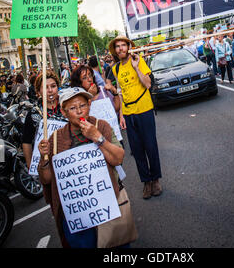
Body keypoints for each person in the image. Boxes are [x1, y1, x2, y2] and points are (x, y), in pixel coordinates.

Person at [37, 87, 125, 248]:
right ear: (64, 112)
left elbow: (118, 158)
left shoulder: (102, 126)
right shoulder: (56, 139)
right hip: (77, 215)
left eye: (83, 105)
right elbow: (47, 179)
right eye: (72, 108)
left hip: (106, 206)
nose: (79, 111)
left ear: (89, 105)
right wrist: (43, 159)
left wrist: (97, 137)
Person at [109, 35, 162, 200]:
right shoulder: (115, 69)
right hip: (129, 113)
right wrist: (121, 115)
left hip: (144, 110)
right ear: (115, 51)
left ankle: (155, 179)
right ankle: (146, 182)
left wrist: (136, 67)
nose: (120, 49)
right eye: (117, 46)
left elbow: (147, 84)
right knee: (137, 150)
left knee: (150, 146)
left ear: (128, 47)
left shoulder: (138, 61)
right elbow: (121, 92)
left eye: (123, 45)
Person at [22, 70, 66, 169]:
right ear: (38, 91)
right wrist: (30, 165)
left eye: (53, 86)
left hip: (66, 162)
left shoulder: (67, 107)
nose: (50, 90)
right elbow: (27, 142)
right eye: (45, 87)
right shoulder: (34, 113)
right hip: (46, 166)